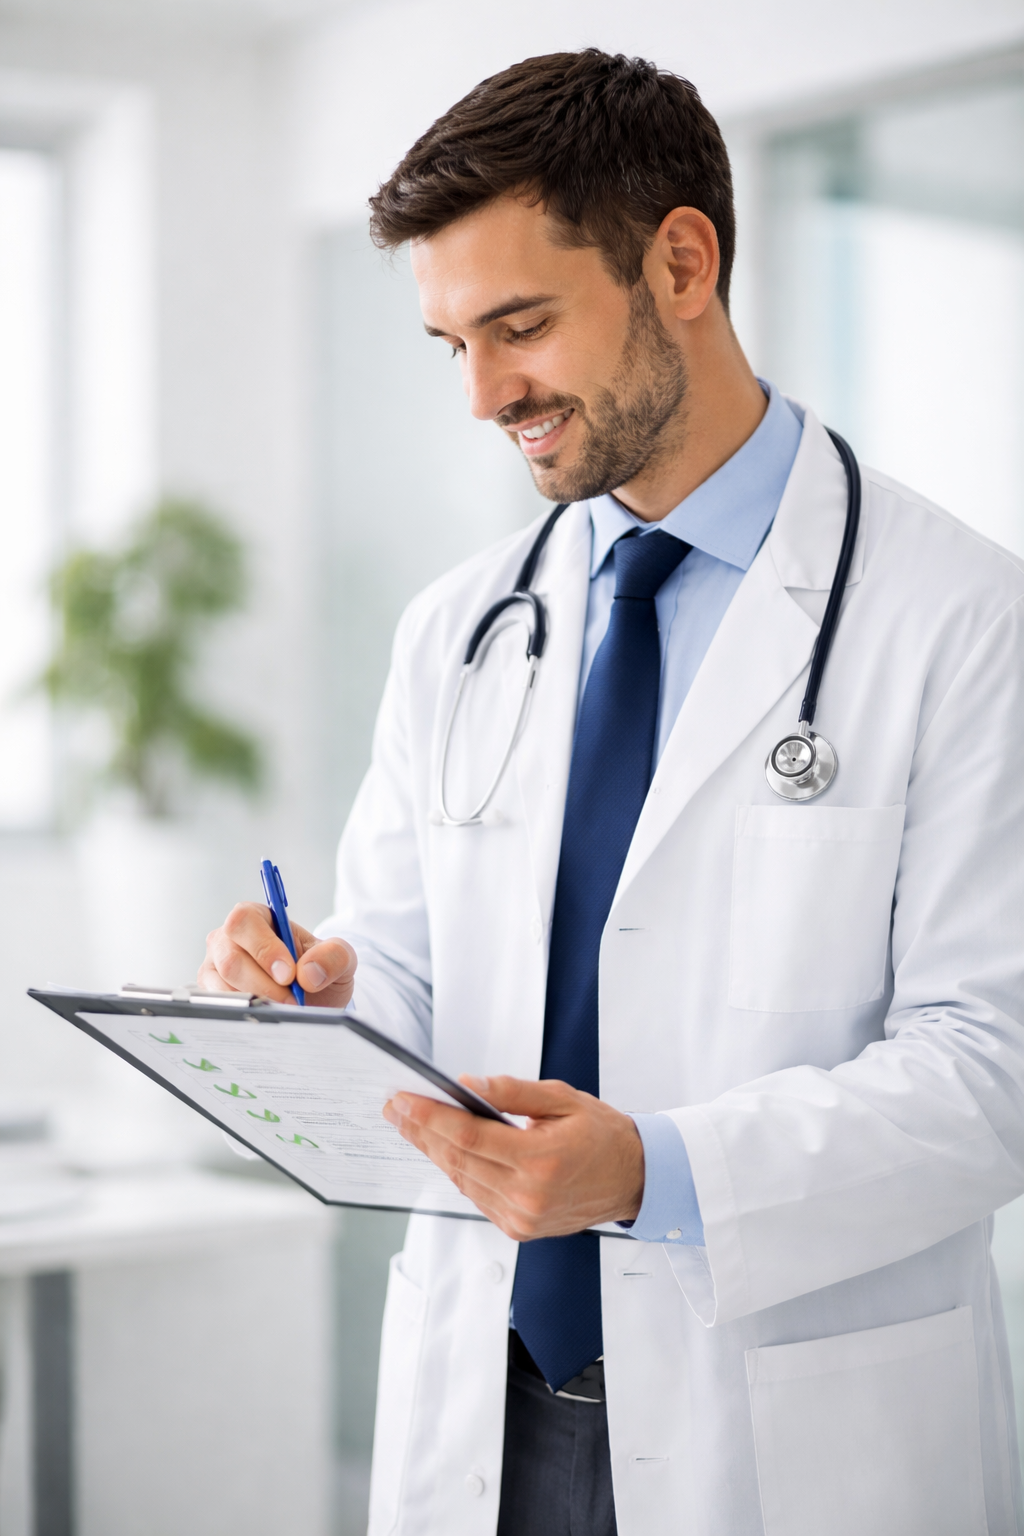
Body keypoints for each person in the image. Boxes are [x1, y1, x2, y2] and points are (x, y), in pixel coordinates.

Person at [201, 49, 1024, 1536]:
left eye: (519, 326)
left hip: (782, 1430)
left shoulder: (961, 618)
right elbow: (404, 960)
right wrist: (317, 990)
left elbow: (994, 1070)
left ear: (683, 262)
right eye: (449, 344)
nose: (483, 394)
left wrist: (656, 1170)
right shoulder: (458, 627)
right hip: (485, 1404)